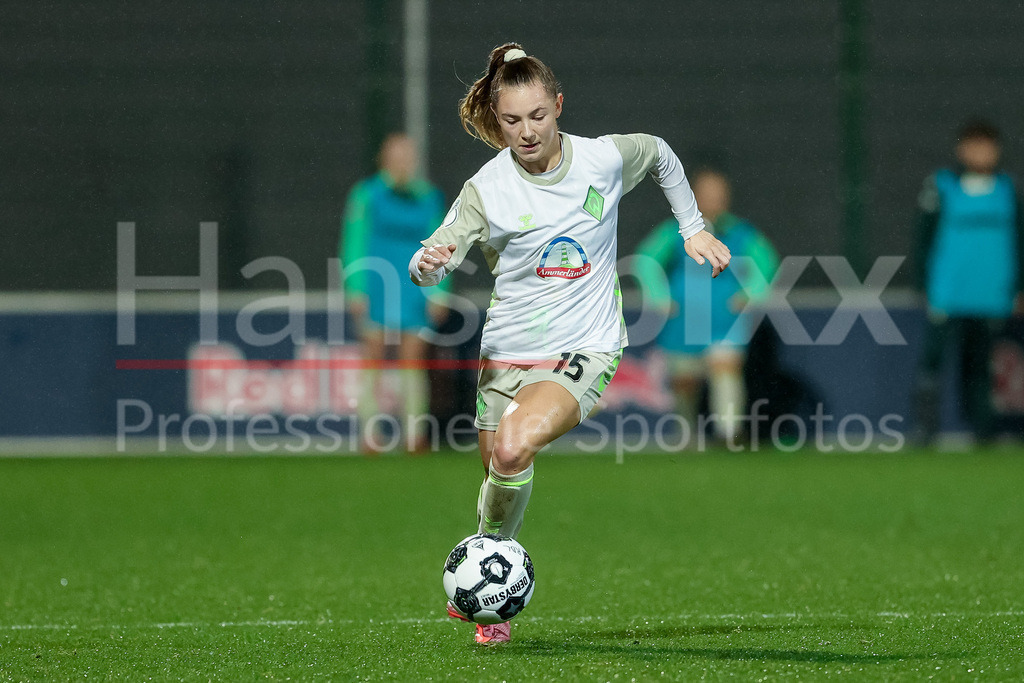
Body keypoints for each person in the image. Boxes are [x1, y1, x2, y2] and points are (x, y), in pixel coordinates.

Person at [409, 43, 731, 645]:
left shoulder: (602, 160)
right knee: (499, 478)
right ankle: (494, 589)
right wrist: (427, 266)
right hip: (506, 351)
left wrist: (693, 226)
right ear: (496, 122)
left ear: (558, 106)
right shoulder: (487, 189)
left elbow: (660, 154)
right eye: (511, 121)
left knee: (510, 450)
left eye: (538, 116)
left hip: (586, 345)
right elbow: (434, 258)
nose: (527, 131)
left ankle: (491, 579)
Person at [636, 169, 779, 445]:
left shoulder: (739, 233)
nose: (715, 201)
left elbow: (766, 263)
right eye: (708, 195)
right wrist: (660, 298)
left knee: (725, 372)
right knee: (685, 383)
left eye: (720, 195)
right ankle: (686, 436)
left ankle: (729, 435)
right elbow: (645, 261)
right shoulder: (675, 231)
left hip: (725, 319)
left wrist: (752, 293)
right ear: (693, 198)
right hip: (684, 321)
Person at [912, 119, 1023, 445]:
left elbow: (1019, 240)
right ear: (961, 149)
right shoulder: (941, 186)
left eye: (986, 145)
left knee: (982, 366)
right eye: (973, 145)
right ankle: (924, 429)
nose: (980, 152)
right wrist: (924, 286)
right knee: (933, 361)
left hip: (991, 294)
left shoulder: (1009, 190)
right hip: (947, 293)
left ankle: (983, 432)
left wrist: (1017, 288)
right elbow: (923, 239)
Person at [340, 133, 446, 452]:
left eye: (407, 156)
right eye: (396, 156)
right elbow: (353, 241)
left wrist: (440, 291)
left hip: (416, 288)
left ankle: (414, 435)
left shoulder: (429, 197)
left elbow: (442, 245)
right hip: (375, 285)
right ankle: (371, 434)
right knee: (373, 356)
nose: (403, 162)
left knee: (413, 359)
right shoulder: (366, 195)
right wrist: (355, 288)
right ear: (384, 160)